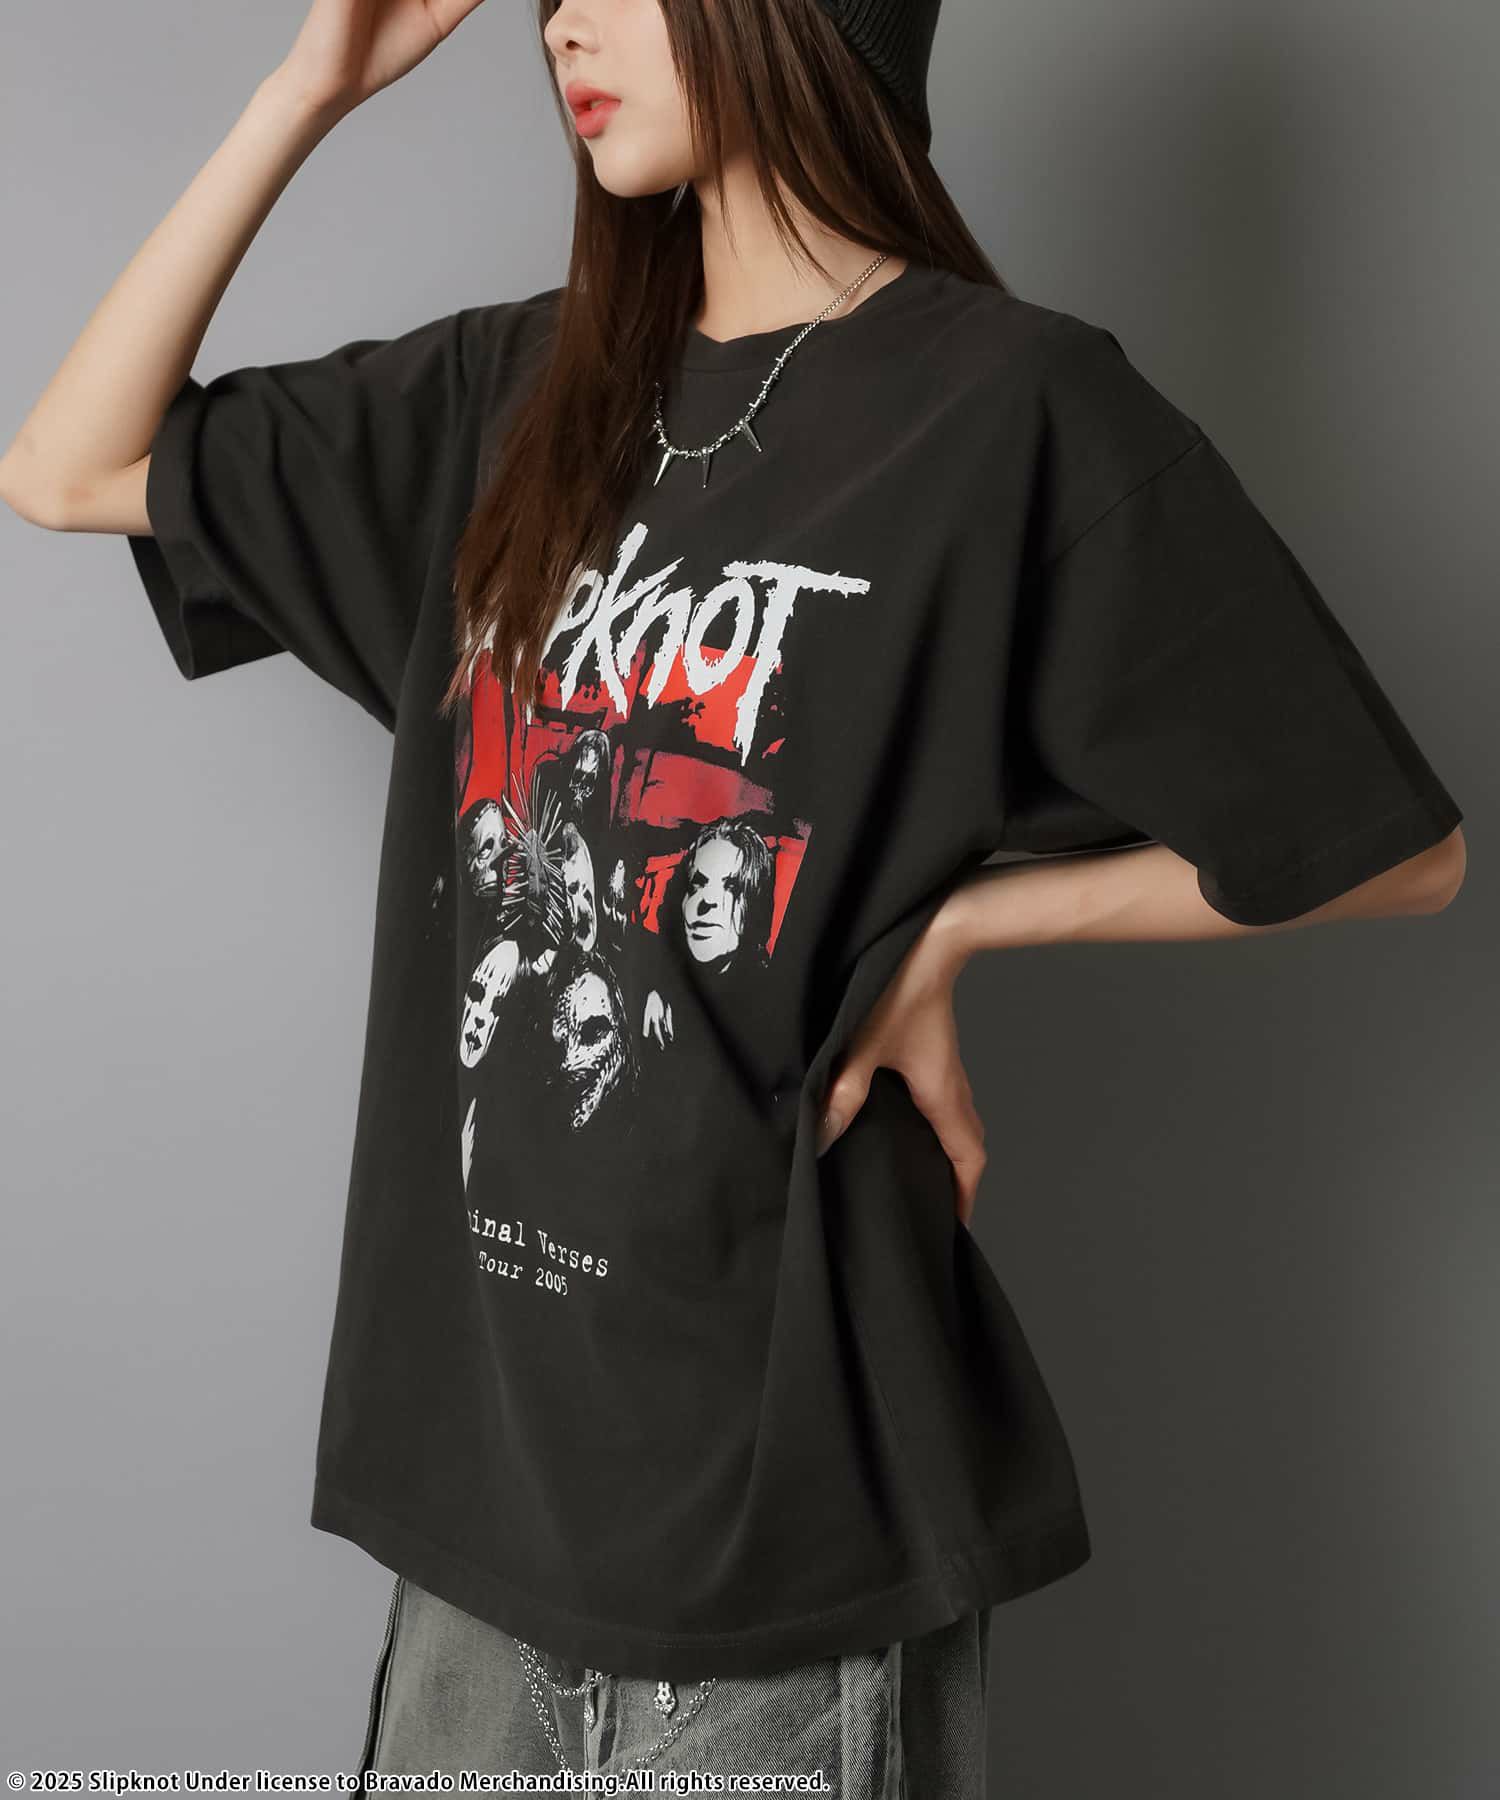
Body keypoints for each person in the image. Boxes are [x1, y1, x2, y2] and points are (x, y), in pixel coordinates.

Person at [0, 0, 1468, 1790]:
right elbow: (66, 466)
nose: (562, 20)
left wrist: (967, 924)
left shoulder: (1007, 410)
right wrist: (309, 89)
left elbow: (1393, 849)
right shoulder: (511, 395)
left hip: (781, 1547)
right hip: (483, 1520)